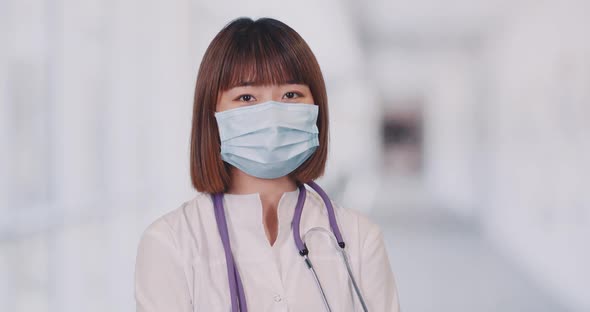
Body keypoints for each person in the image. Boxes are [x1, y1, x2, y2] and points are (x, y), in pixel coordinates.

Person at [134, 17, 400, 312]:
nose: (272, 114)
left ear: (316, 108)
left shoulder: (358, 238)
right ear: (212, 115)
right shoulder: (171, 243)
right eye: (246, 97)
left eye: (291, 95)